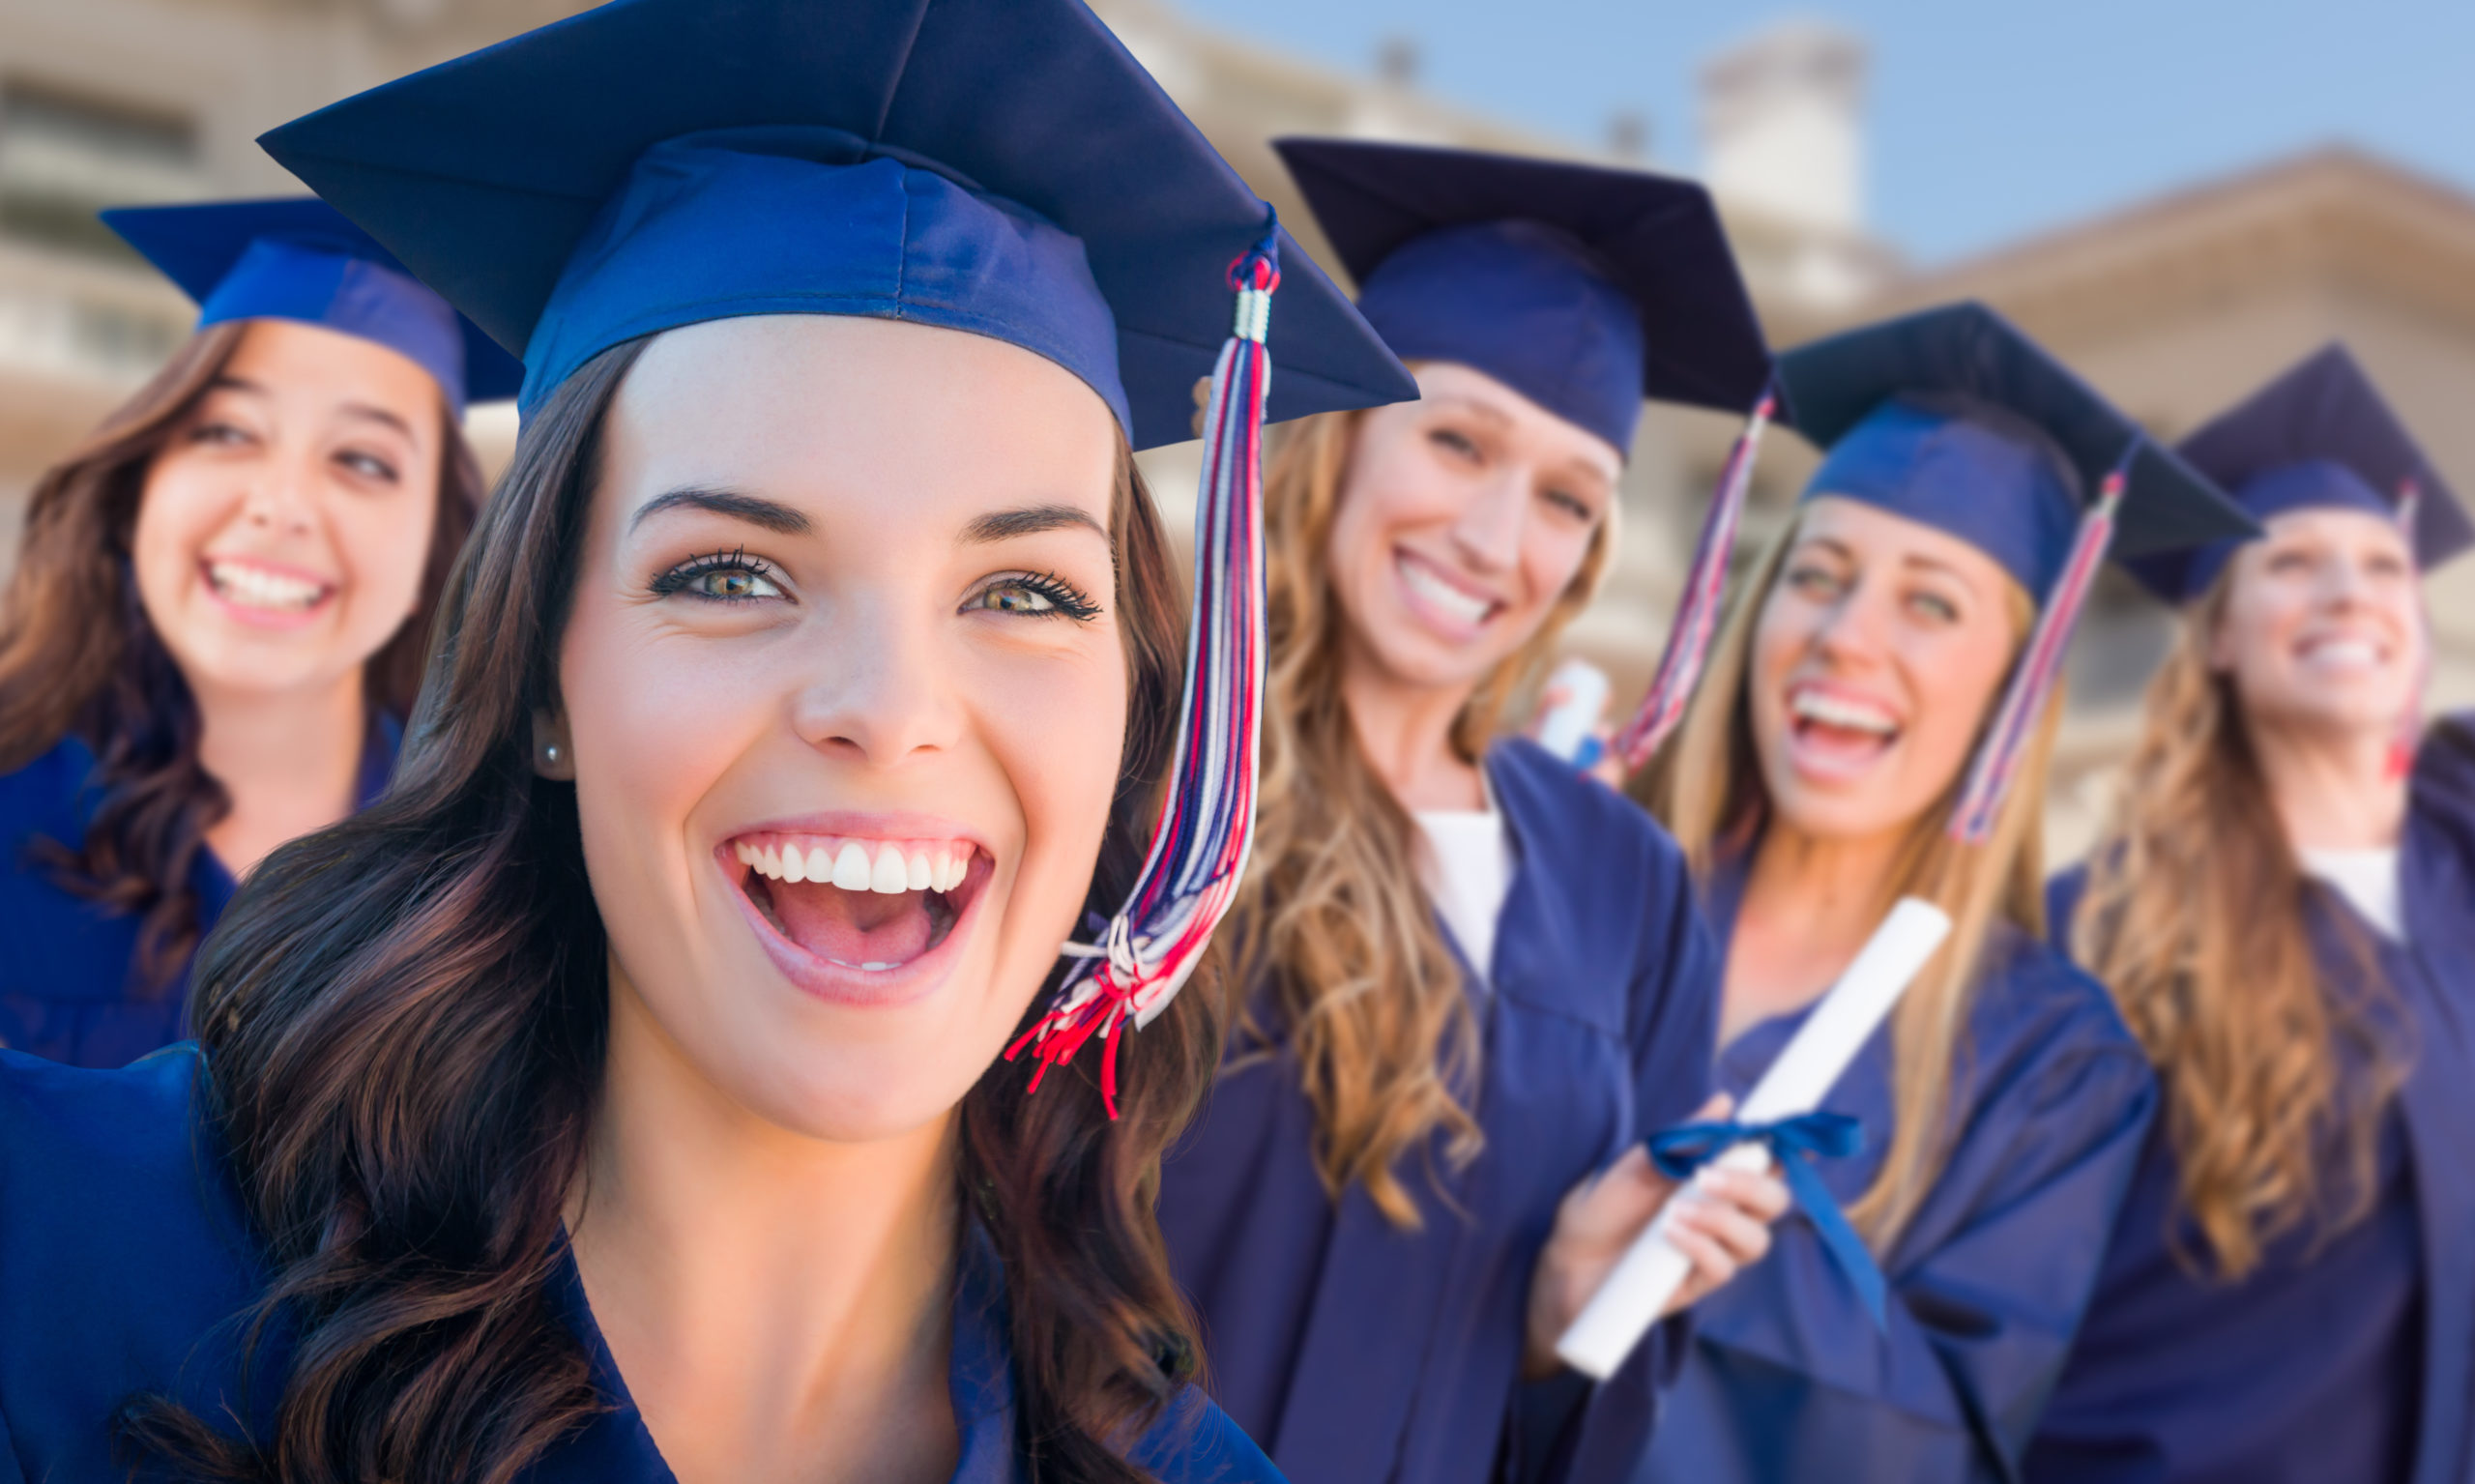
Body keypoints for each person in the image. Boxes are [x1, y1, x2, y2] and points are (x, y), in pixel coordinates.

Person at [0, 1, 1420, 1480]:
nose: (891, 706)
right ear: (542, 674)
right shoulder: (70, 1268)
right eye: (730, 574)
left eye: (1024, 590)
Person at [1154, 137, 1791, 1484]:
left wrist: (1566, 1318)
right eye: (1456, 439)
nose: (1500, 540)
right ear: (1340, 430)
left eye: (1567, 498)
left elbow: (1588, 1408)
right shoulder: (1157, 769)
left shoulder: (1624, 881)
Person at [1627, 302, 2252, 1483]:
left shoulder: (2054, 1066)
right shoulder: (1587, 904)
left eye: (1930, 601)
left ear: (2013, 688)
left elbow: (1941, 1447)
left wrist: (1742, 1250)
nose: (1846, 637)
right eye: (1816, 575)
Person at [2027, 345, 2475, 1484]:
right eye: (2294, 562)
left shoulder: (2459, 883)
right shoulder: (2098, 939)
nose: (2348, 592)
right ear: (2217, 636)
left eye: (2383, 565)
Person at [0, 197, 516, 1067]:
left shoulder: (489, 875)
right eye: (227, 432)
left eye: (363, 460)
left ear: (436, 546)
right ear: (140, 489)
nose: (278, 506)